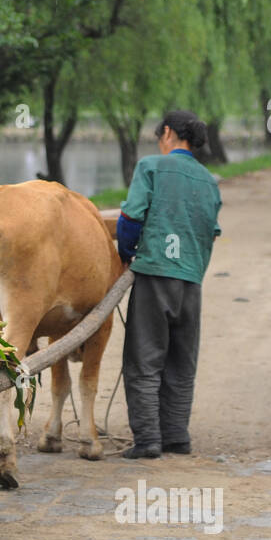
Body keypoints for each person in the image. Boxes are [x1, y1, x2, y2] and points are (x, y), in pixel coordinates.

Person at [115, 110, 222, 459]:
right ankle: (177, 436)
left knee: (144, 360)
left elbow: (130, 218)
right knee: (181, 361)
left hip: (155, 276)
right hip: (191, 281)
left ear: (171, 134)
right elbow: (210, 232)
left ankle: (147, 441)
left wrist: (128, 251)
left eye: (160, 133)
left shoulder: (151, 167)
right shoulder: (209, 181)